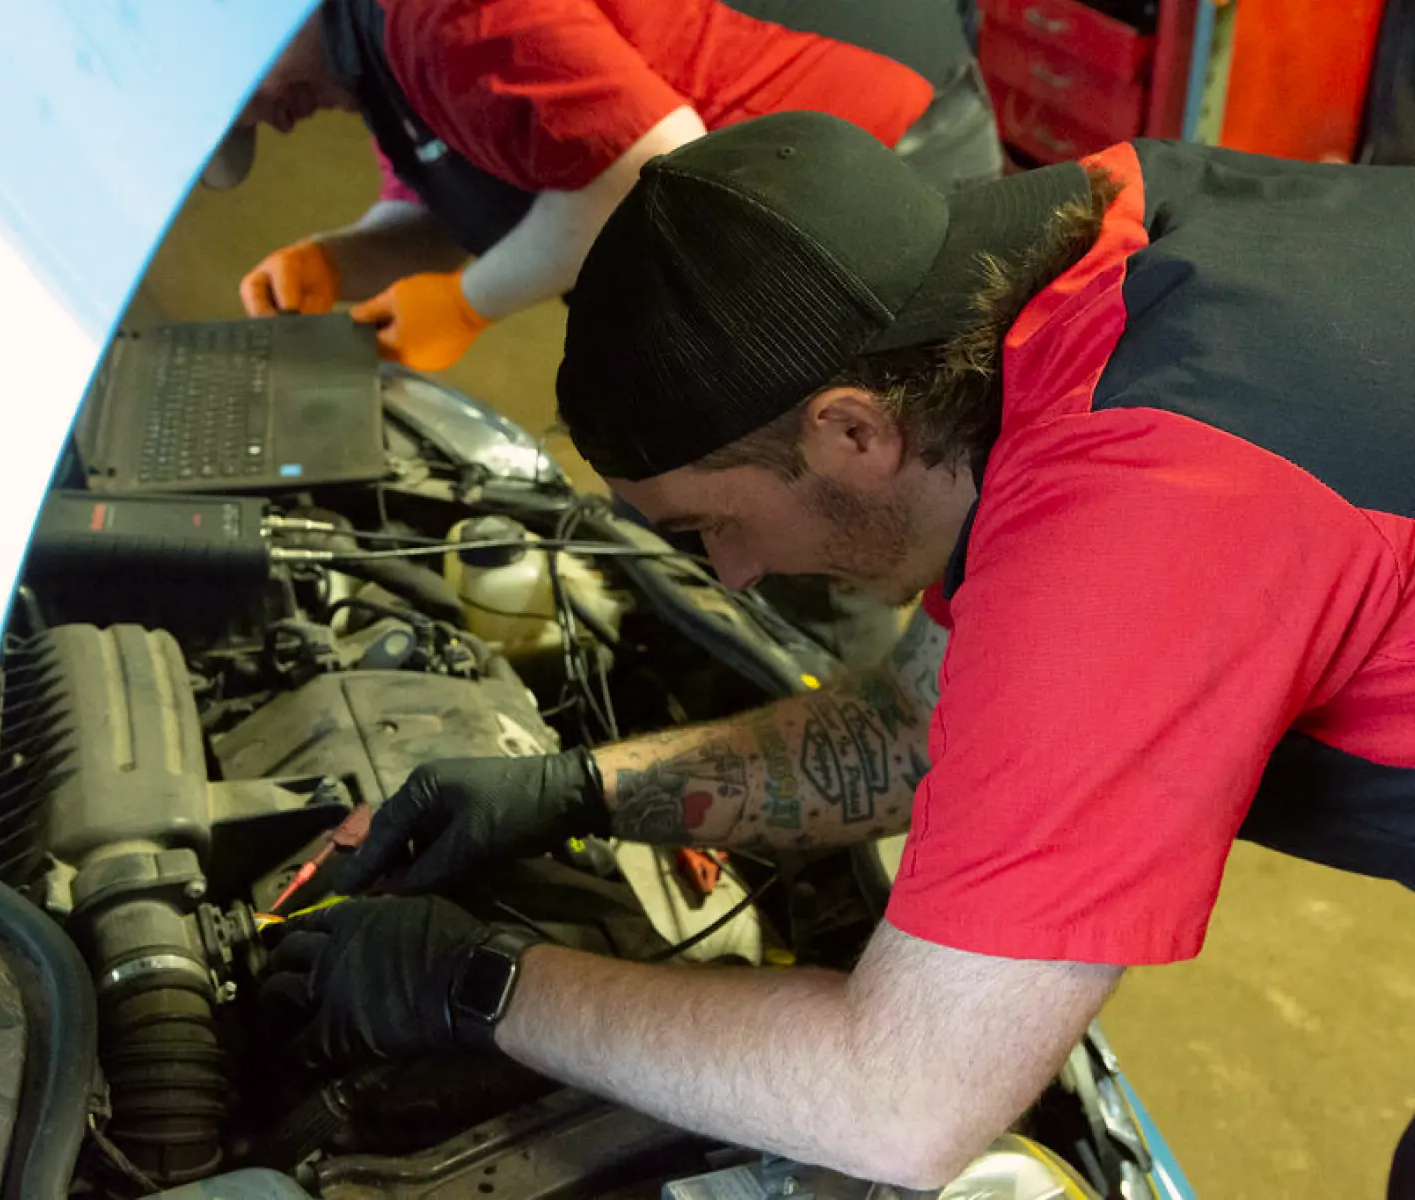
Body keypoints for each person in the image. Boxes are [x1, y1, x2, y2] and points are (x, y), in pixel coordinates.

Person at [257, 113, 1415, 1190]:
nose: (734, 577)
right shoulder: (1094, 237)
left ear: (852, 430)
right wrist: (573, 795)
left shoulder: (1140, 526)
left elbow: (902, 1104)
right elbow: (910, 728)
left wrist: (477, 982)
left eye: (715, 524)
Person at [204, 0, 998, 372]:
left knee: (783, 491)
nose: (270, 123)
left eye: (243, 101)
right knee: (665, 468)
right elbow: (465, 188)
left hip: (868, 162)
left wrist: (468, 301)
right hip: (726, 195)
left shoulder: (440, 17)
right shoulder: (368, 62)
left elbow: (650, 168)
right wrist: (343, 261)